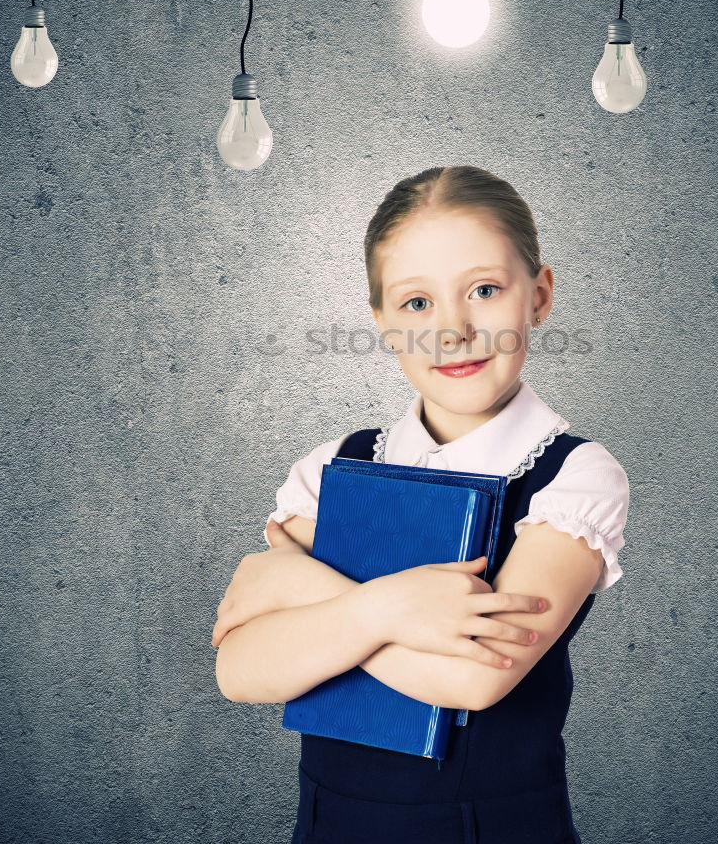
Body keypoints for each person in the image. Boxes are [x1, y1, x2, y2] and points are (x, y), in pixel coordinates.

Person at [212, 165, 630, 844]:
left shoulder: (574, 475)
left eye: (485, 291)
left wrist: (305, 590)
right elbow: (239, 669)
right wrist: (389, 609)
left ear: (540, 295)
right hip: (329, 823)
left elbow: (471, 679)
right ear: (379, 320)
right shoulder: (331, 466)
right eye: (416, 303)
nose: (453, 330)